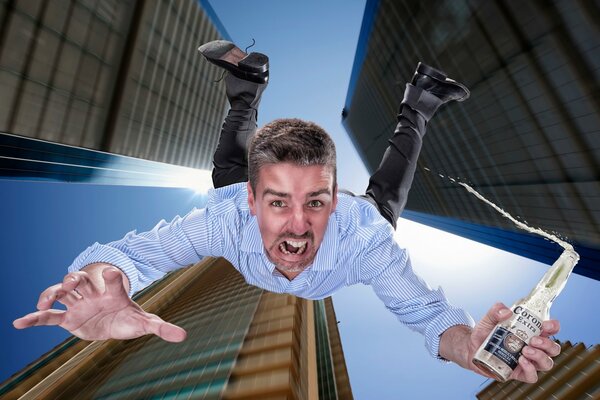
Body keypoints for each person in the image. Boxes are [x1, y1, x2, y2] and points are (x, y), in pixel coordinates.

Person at [14, 40, 560, 384]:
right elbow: (137, 253)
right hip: (238, 201)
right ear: (255, 203)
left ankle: (420, 102)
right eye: (278, 203)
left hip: (357, 224)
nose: (299, 225)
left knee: (386, 204)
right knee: (227, 175)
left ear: (334, 200)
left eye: (316, 203)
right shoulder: (230, 217)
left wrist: (466, 344)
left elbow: (424, 313)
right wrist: (107, 276)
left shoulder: (360, 235)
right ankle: (247, 88)